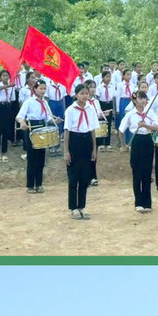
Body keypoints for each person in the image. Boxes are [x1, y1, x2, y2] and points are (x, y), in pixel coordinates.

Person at [119, 90, 158, 213]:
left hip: (148, 140)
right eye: (140, 98)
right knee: (137, 172)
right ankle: (138, 202)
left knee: (147, 172)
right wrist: (123, 145)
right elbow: (121, 130)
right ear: (134, 100)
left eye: (144, 98)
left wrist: (145, 126)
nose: (143, 100)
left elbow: (157, 127)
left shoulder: (150, 112)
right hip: (136, 141)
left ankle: (147, 202)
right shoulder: (131, 114)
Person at [64, 86, 100, 219]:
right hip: (74, 140)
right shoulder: (70, 110)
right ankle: (73, 207)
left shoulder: (91, 109)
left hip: (87, 142)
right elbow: (67, 130)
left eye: (87, 93)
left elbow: (92, 130)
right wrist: (66, 150)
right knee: (73, 176)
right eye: (82, 93)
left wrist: (94, 149)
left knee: (85, 177)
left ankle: (82, 206)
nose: (85, 96)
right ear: (76, 95)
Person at [16, 75, 54, 193]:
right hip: (32, 128)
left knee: (41, 157)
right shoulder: (29, 102)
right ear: (35, 89)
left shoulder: (45, 103)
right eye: (41, 88)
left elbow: (48, 117)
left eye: (44, 89)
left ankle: (39, 184)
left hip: (42, 128)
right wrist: (22, 122)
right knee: (32, 158)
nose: (43, 91)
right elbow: (19, 116)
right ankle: (30, 185)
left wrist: (55, 120)